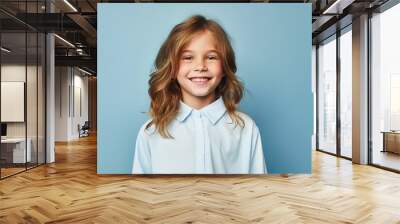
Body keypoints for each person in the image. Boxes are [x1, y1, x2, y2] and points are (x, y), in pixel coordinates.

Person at [132, 15, 267, 174]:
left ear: (224, 68)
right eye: (188, 57)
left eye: (211, 57)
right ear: (172, 69)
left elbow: (257, 188)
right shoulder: (150, 132)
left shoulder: (246, 128)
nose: (200, 66)